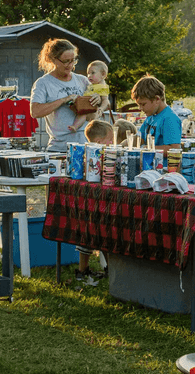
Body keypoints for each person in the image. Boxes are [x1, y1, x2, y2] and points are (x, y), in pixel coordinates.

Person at [29, 38, 101, 152]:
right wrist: (64, 100)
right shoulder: (43, 83)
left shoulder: (83, 80)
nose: (70, 65)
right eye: (66, 61)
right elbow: (35, 112)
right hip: (59, 148)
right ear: (53, 59)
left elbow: (92, 117)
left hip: (85, 147)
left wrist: (95, 102)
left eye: (73, 61)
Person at [74, 119, 116, 280]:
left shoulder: (84, 153)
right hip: (96, 199)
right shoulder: (98, 155)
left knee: (89, 232)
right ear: (99, 142)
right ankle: (109, 269)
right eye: (110, 139)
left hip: (89, 199)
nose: (112, 143)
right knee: (102, 231)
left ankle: (83, 269)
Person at [132, 75, 181, 153]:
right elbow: (140, 138)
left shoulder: (170, 119)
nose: (140, 108)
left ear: (157, 99)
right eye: (138, 105)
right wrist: (122, 144)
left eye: (143, 104)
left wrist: (146, 148)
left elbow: (174, 149)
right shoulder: (150, 116)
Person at [67, 60, 110, 133]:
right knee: (79, 111)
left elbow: (105, 100)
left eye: (93, 73)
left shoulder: (103, 87)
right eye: (88, 73)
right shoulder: (91, 85)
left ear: (103, 74)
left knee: (83, 115)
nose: (89, 76)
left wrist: (101, 109)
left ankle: (75, 126)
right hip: (86, 105)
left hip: (93, 110)